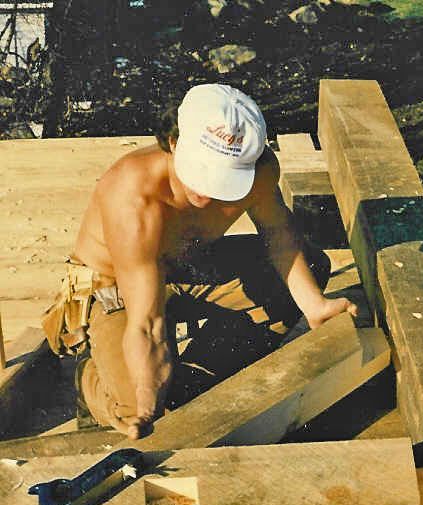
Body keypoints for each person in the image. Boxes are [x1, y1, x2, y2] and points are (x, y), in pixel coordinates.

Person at [63, 83, 357, 440]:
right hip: (115, 286)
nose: (206, 191)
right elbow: (147, 324)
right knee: (147, 409)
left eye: (223, 178)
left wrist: (314, 305)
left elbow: (279, 235)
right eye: (200, 170)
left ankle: (194, 380)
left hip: (189, 264)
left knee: (309, 267)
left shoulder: (260, 171)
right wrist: (147, 397)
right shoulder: (133, 195)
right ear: (173, 142)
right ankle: (90, 383)